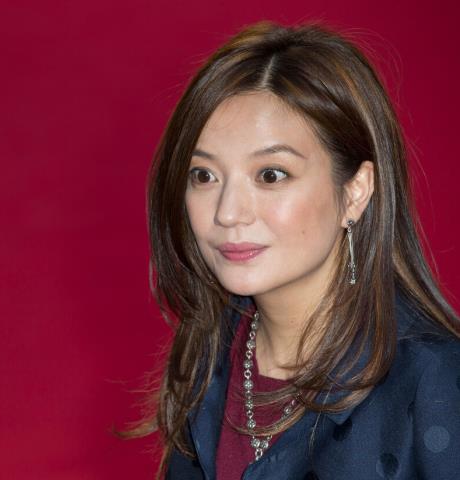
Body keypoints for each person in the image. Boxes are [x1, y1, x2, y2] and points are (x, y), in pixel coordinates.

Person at [118, 20, 460, 480]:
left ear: (355, 191)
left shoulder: (436, 384)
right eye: (204, 175)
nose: (228, 213)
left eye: (270, 175)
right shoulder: (209, 357)